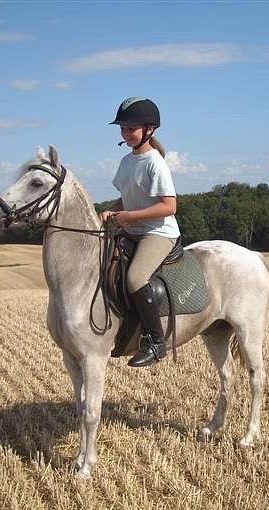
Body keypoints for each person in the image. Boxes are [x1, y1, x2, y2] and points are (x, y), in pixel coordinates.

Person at [100, 97, 181, 367]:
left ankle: (156, 342)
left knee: (135, 277)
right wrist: (109, 211)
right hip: (131, 229)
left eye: (130, 128)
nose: (125, 133)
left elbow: (170, 206)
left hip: (158, 232)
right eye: (122, 128)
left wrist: (129, 217)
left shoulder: (155, 163)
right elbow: (127, 197)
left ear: (149, 129)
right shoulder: (126, 161)